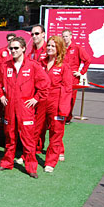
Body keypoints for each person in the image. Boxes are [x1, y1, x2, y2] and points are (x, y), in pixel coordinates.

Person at [0, 37, 50, 179]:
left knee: (28, 139)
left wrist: (36, 99)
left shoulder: (32, 65)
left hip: (25, 108)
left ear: (23, 48)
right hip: (10, 107)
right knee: (9, 137)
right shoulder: (5, 65)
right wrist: (1, 95)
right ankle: (6, 163)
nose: (13, 51)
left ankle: (31, 168)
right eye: (11, 48)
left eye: (16, 48)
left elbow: (45, 83)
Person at [34, 36, 72, 172]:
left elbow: (68, 89)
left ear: (59, 48)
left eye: (53, 46)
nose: (49, 48)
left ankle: (50, 161)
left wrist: (63, 109)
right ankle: (32, 153)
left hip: (56, 102)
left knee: (56, 132)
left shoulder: (64, 66)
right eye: (48, 45)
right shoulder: (40, 63)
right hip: (41, 101)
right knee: (36, 129)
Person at [62, 29, 91, 124]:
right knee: (62, 96)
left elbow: (87, 60)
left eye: (66, 36)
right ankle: (62, 115)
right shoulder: (61, 48)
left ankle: (68, 117)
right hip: (62, 77)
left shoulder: (77, 48)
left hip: (73, 78)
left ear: (71, 36)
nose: (65, 38)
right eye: (63, 36)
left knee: (71, 98)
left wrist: (81, 72)